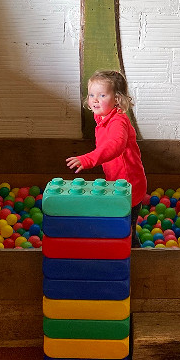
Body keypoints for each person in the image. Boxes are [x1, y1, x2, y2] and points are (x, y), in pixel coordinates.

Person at [66, 70, 147, 247]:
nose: (94, 99)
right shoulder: (102, 118)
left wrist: (88, 159)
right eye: (91, 94)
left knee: (126, 228)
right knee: (120, 223)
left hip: (129, 185)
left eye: (102, 95)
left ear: (117, 99)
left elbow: (115, 146)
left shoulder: (118, 121)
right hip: (117, 182)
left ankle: (136, 257)